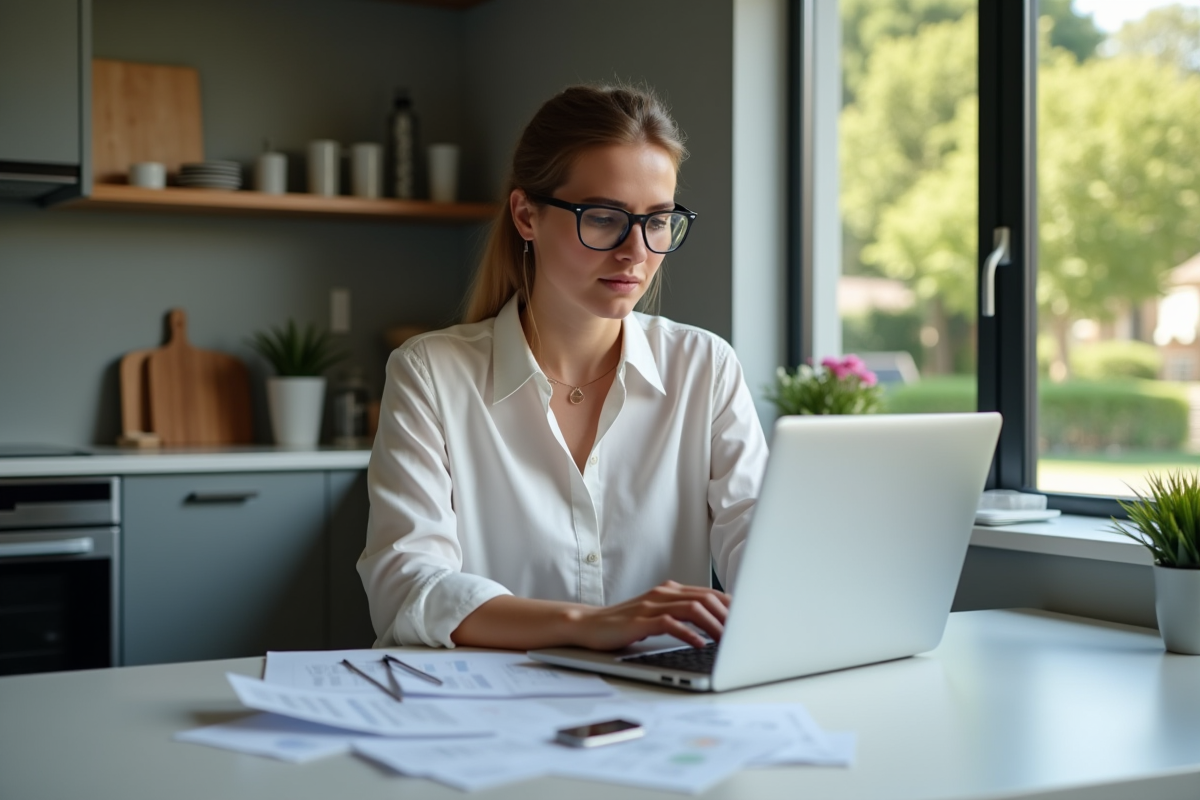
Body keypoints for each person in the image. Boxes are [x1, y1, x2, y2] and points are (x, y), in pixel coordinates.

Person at [358, 83, 769, 652]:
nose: (635, 252)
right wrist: (589, 625)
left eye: (657, 220)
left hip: (662, 712)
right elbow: (408, 589)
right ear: (527, 215)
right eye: (603, 218)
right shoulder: (431, 373)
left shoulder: (706, 367)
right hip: (489, 713)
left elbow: (764, 549)